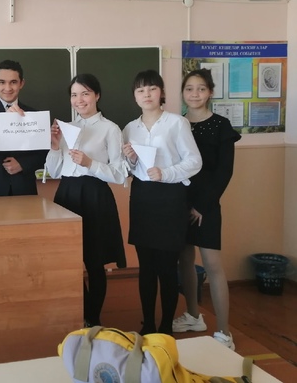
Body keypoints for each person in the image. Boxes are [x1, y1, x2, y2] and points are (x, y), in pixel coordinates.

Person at [122, 70, 201, 335]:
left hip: (170, 198)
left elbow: (194, 161)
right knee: (146, 268)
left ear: (162, 92)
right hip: (142, 198)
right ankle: (148, 324)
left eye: (152, 89)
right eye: (140, 90)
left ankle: (166, 325)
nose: (146, 94)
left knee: (167, 268)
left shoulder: (177, 123)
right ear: (135, 96)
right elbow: (129, 170)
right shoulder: (129, 128)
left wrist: (165, 173)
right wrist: (131, 159)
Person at [47, 74, 127, 327]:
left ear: (97, 95)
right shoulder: (66, 128)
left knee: (94, 262)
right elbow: (55, 171)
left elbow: (120, 174)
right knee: (69, 261)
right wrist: (54, 146)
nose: (79, 100)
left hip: (94, 196)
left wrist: (90, 163)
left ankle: (93, 318)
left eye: (85, 93)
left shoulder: (110, 128)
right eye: (74, 95)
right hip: (67, 195)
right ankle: (81, 313)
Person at [173, 69, 241, 350]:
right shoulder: (177, 124)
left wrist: (203, 205)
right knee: (185, 260)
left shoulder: (221, 125)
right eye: (189, 89)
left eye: (201, 89)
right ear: (183, 93)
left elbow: (225, 172)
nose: (195, 94)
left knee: (213, 266)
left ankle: (224, 332)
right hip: (180, 201)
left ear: (210, 92)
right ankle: (193, 315)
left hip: (208, 205)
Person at [0, 60, 47, 198]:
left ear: (21, 83)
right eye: (2, 82)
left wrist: (23, 164)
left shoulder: (34, 115)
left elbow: (44, 152)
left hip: (24, 188)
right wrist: (6, 120)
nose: (7, 88)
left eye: (13, 82)